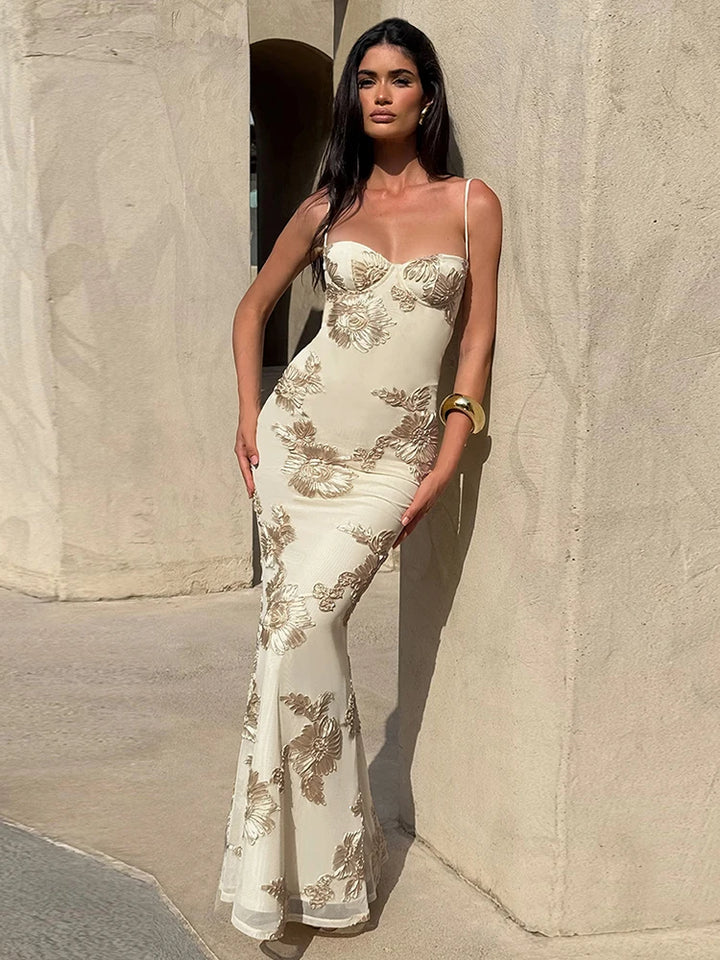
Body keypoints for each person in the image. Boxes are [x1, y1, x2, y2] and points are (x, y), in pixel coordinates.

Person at [215, 15, 502, 948]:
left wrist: (452, 447)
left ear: (429, 96)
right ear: (355, 96)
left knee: (306, 628)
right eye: (368, 79)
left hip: (390, 462)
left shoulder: (472, 205)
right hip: (298, 445)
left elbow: (478, 338)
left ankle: (309, 871)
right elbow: (254, 308)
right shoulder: (326, 203)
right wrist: (251, 413)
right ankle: (294, 883)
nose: (381, 93)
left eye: (401, 78)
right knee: (287, 643)